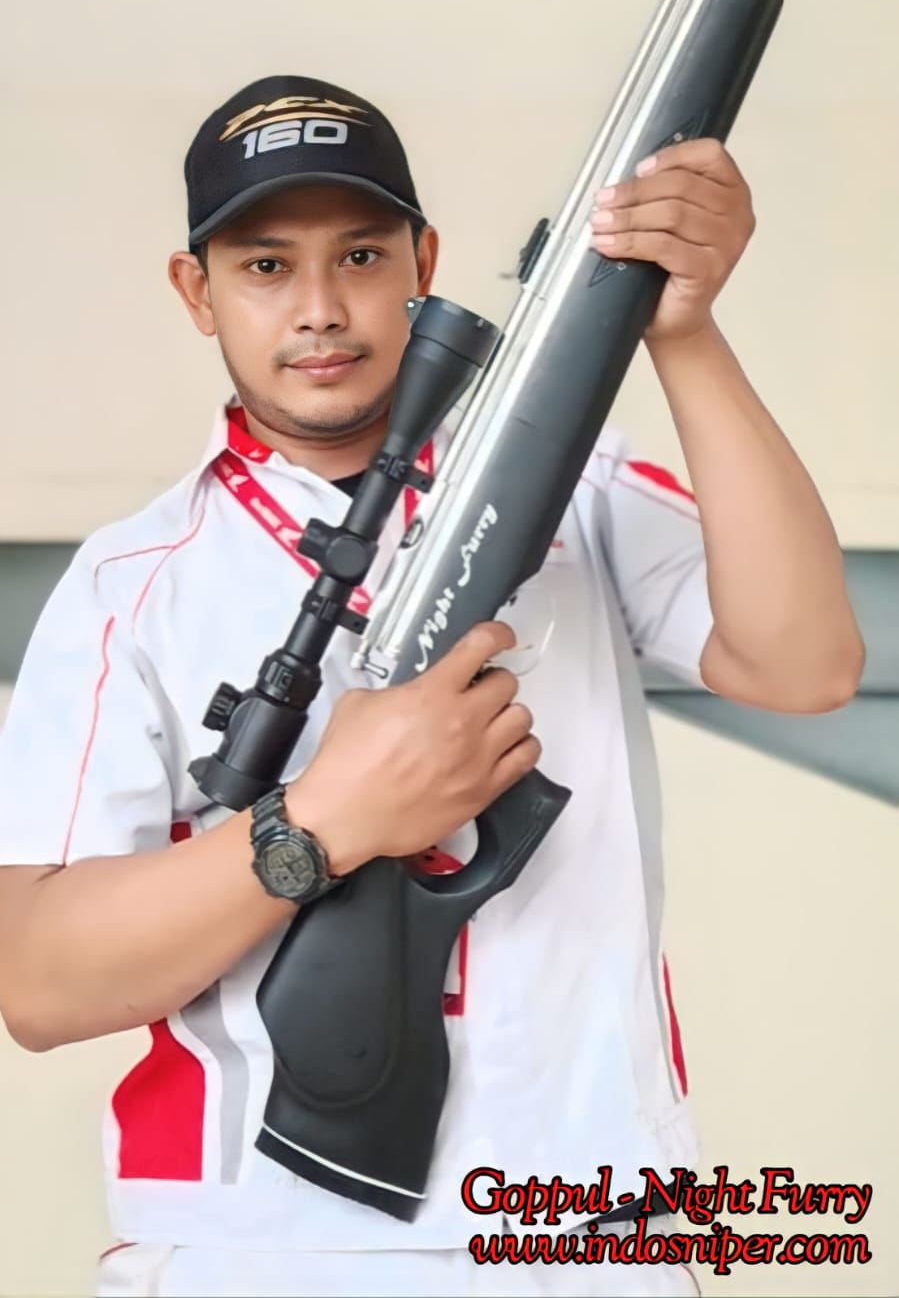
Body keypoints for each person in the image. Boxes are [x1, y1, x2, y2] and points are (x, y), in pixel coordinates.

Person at [0, 75, 864, 1298]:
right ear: (196, 291)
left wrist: (679, 330)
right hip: (253, 1242)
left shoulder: (577, 486)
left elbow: (804, 664)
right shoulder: (129, 581)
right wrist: (318, 824)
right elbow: (37, 983)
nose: (320, 308)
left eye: (360, 255)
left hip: (586, 1223)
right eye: (264, 266)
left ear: (425, 263)